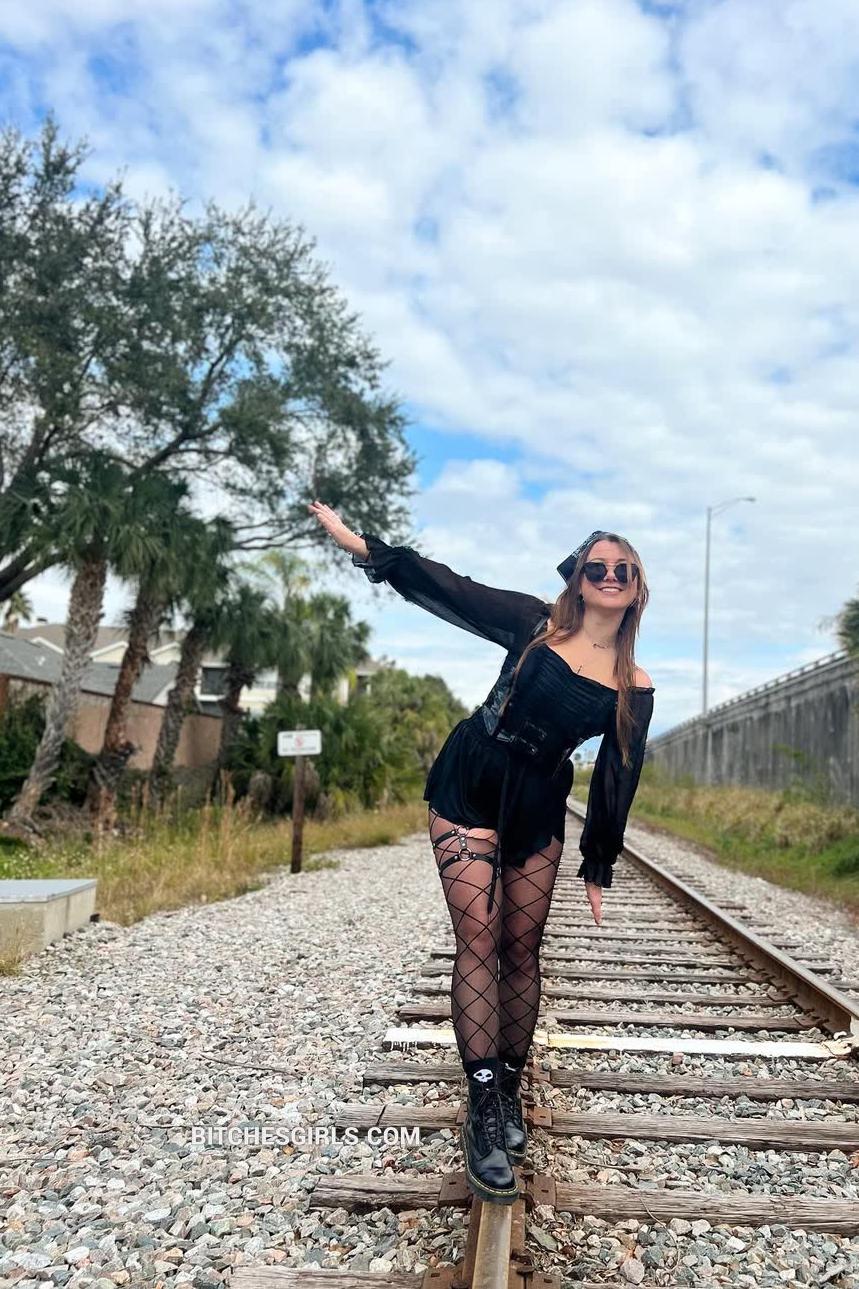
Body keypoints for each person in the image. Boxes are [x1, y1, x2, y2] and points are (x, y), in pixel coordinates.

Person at [308, 503, 654, 1204]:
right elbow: (452, 588)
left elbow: (620, 774)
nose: (611, 576)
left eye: (624, 569)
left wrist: (598, 862)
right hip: (472, 778)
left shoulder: (635, 686)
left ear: (637, 587)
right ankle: (483, 1103)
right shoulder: (533, 624)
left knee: (522, 947)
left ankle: (508, 1092)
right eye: (598, 567)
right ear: (579, 579)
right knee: (478, 937)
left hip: (538, 801)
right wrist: (366, 547)